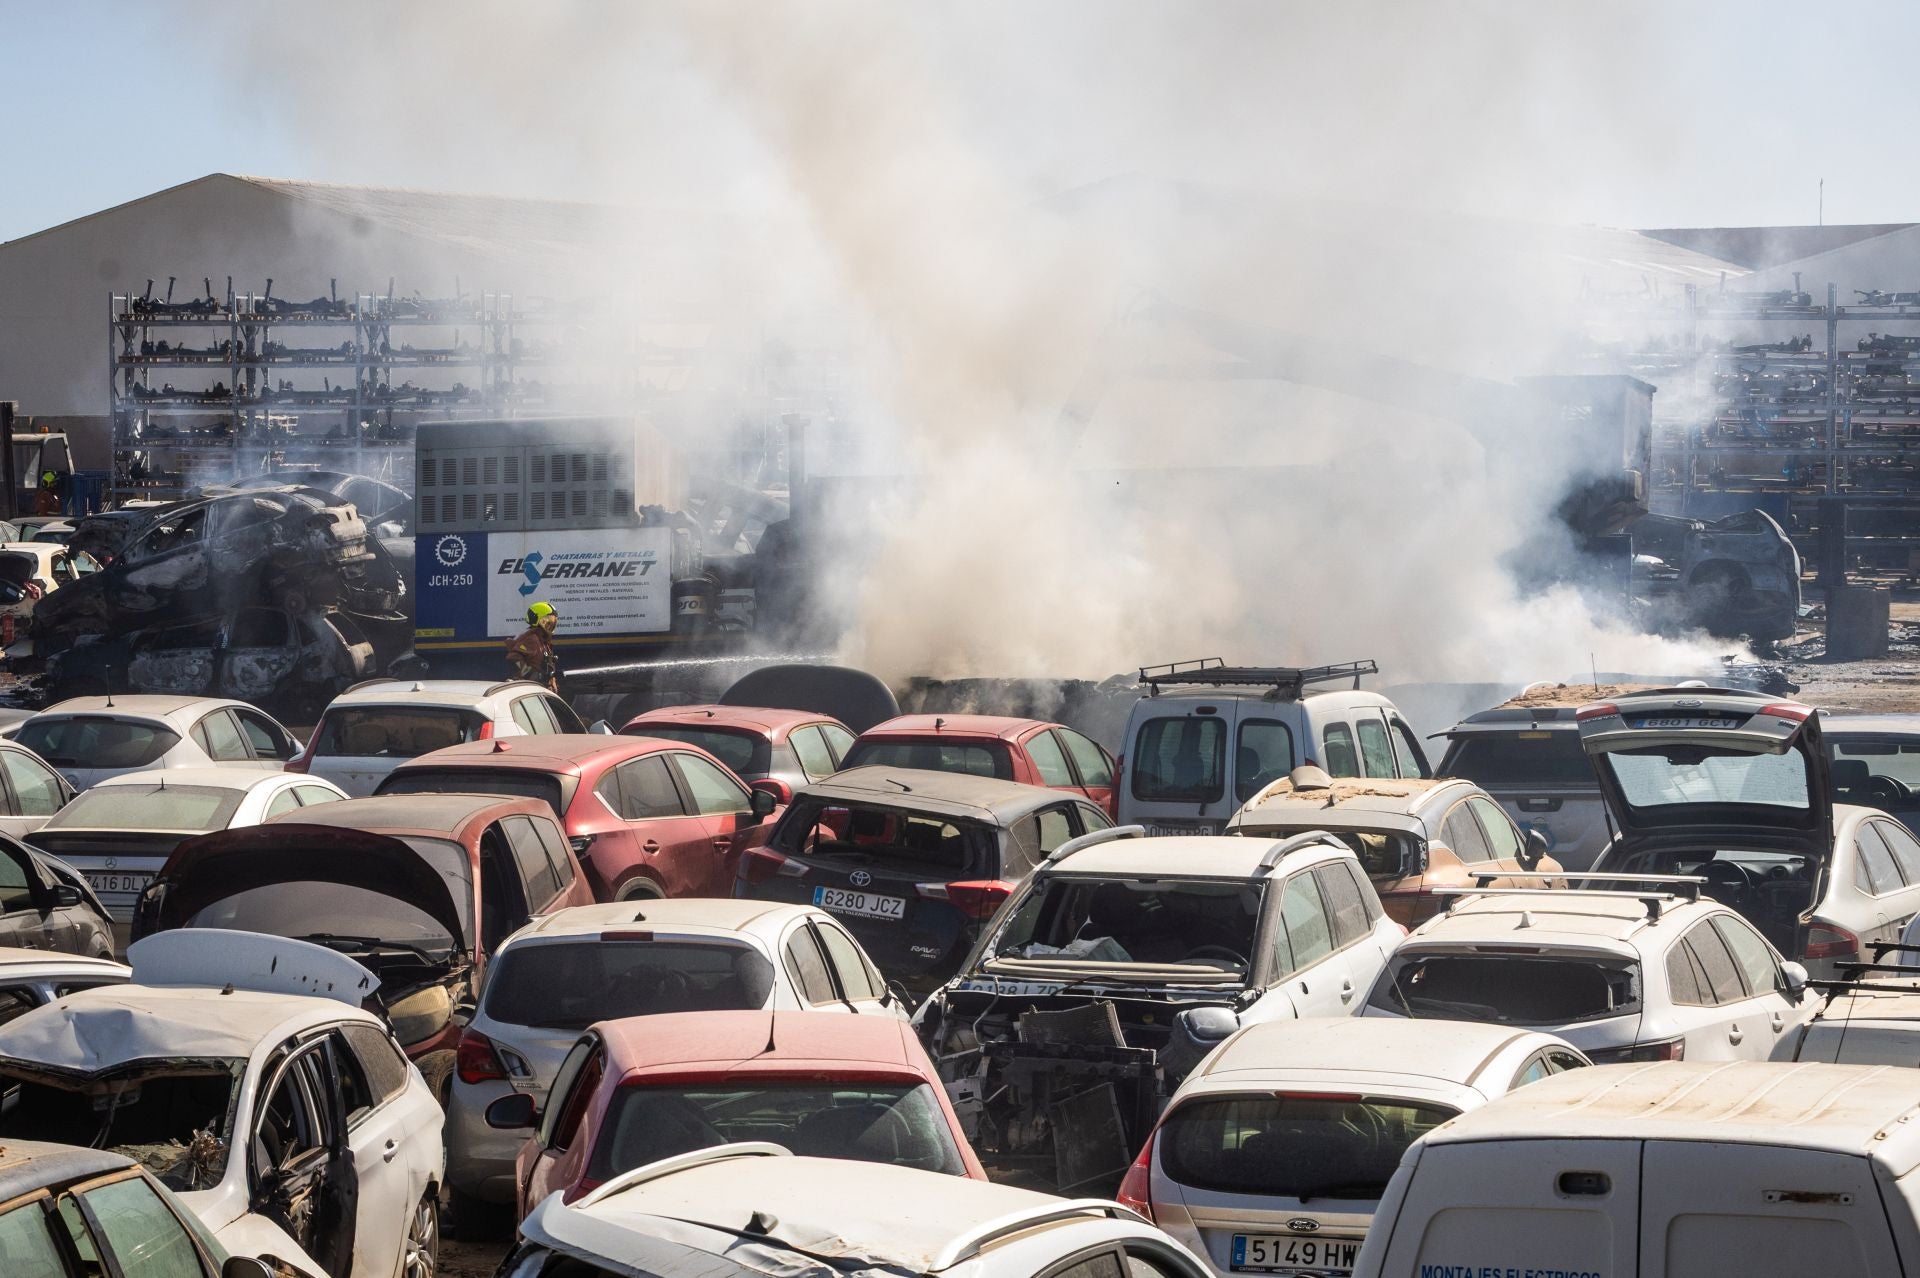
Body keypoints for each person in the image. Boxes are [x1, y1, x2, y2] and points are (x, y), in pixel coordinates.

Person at [507, 601, 560, 690]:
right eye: (548, 621)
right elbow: (513, 657)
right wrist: (531, 675)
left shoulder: (542, 640)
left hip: (537, 688)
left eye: (553, 621)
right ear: (538, 620)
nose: (551, 625)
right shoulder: (532, 639)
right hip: (527, 688)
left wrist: (551, 680)